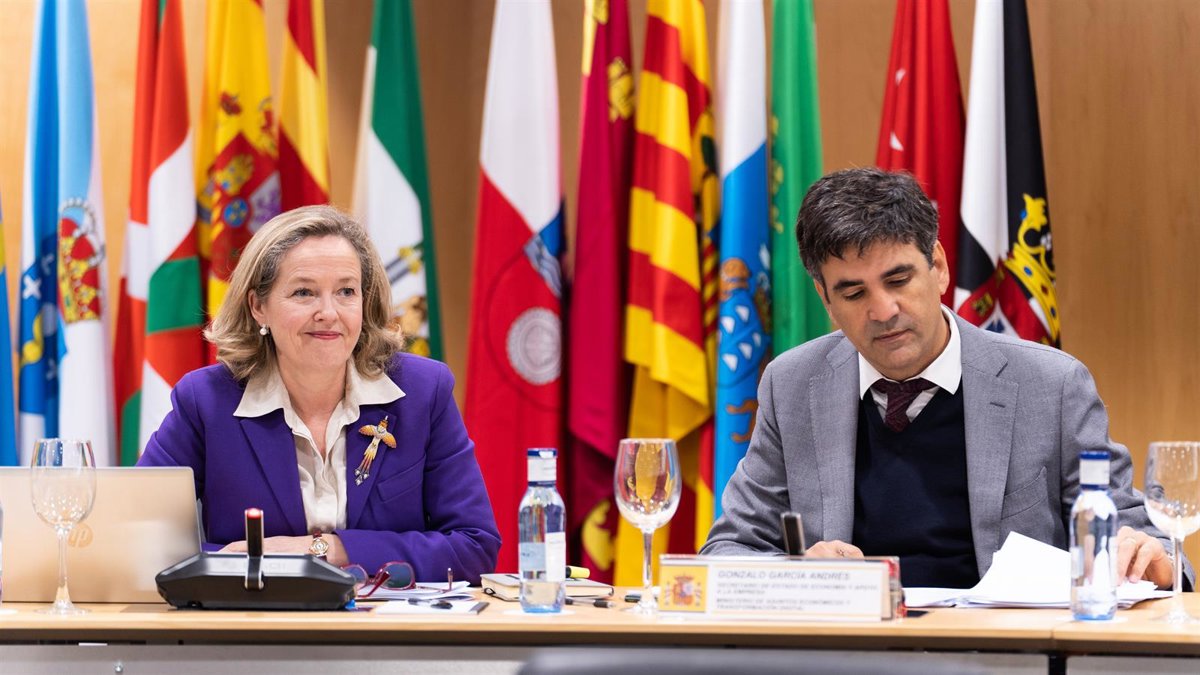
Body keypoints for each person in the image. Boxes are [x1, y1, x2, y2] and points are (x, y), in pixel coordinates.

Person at [702, 167, 1185, 589]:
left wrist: (1154, 560)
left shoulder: (1051, 385)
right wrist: (796, 572)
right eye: (853, 293)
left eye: (898, 280)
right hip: (849, 647)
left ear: (937, 267)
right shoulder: (793, 384)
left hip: (1002, 648)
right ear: (825, 299)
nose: (883, 311)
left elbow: (1146, 541)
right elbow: (727, 551)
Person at [138, 205, 500, 583]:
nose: (329, 312)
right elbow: (141, 539)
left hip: (389, 621)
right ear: (258, 307)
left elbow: (474, 547)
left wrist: (325, 549)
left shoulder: (422, 392)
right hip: (254, 619)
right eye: (304, 292)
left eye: (346, 291)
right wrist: (237, 562)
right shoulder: (206, 402)